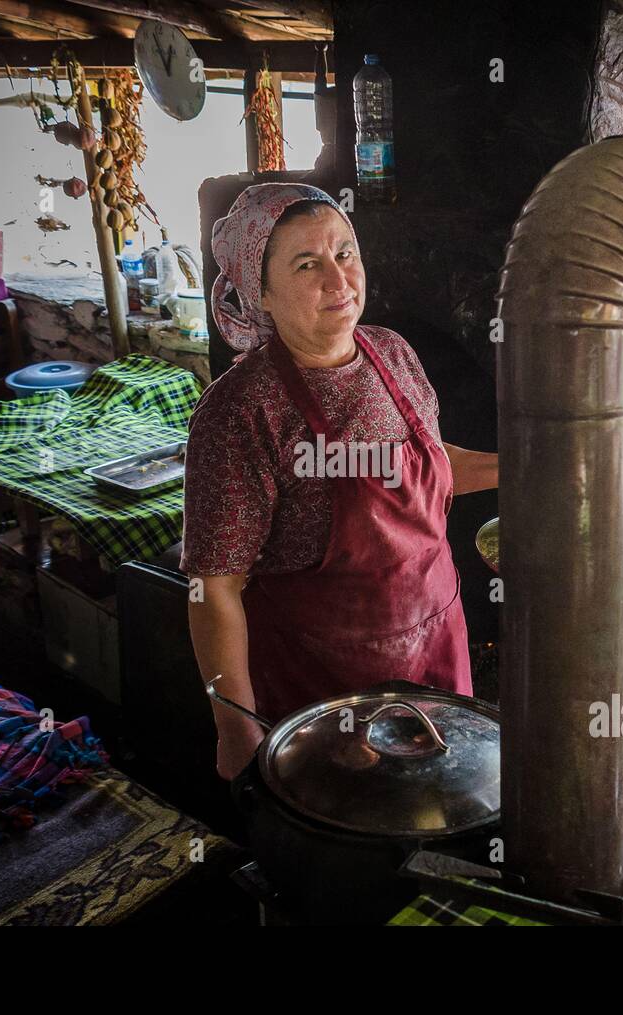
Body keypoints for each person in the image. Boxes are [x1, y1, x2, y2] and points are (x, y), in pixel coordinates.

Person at [182, 183, 498, 780]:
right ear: (263, 294)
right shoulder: (242, 411)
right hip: (326, 686)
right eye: (307, 264)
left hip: (435, 644)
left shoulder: (392, 354)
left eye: (345, 253)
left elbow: (427, 466)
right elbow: (214, 588)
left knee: (446, 807)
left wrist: (526, 468)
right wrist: (235, 726)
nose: (339, 279)